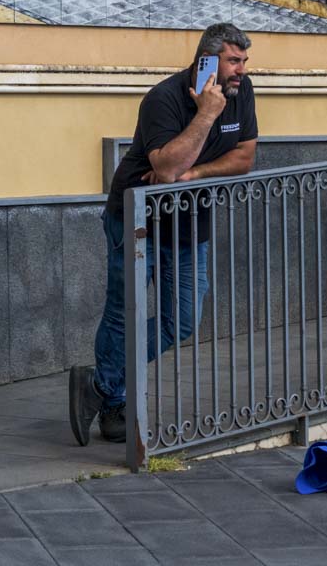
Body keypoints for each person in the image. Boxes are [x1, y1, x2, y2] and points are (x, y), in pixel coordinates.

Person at [70, 23, 258, 445]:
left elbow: (244, 157)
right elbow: (165, 169)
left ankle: (97, 384)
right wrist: (207, 114)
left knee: (184, 320)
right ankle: (115, 401)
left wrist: (195, 173)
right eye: (233, 61)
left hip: (190, 219)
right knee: (124, 313)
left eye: (244, 61)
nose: (241, 70)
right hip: (136, 217)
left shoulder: (241, 92)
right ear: (205, 61)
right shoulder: (163, 99)